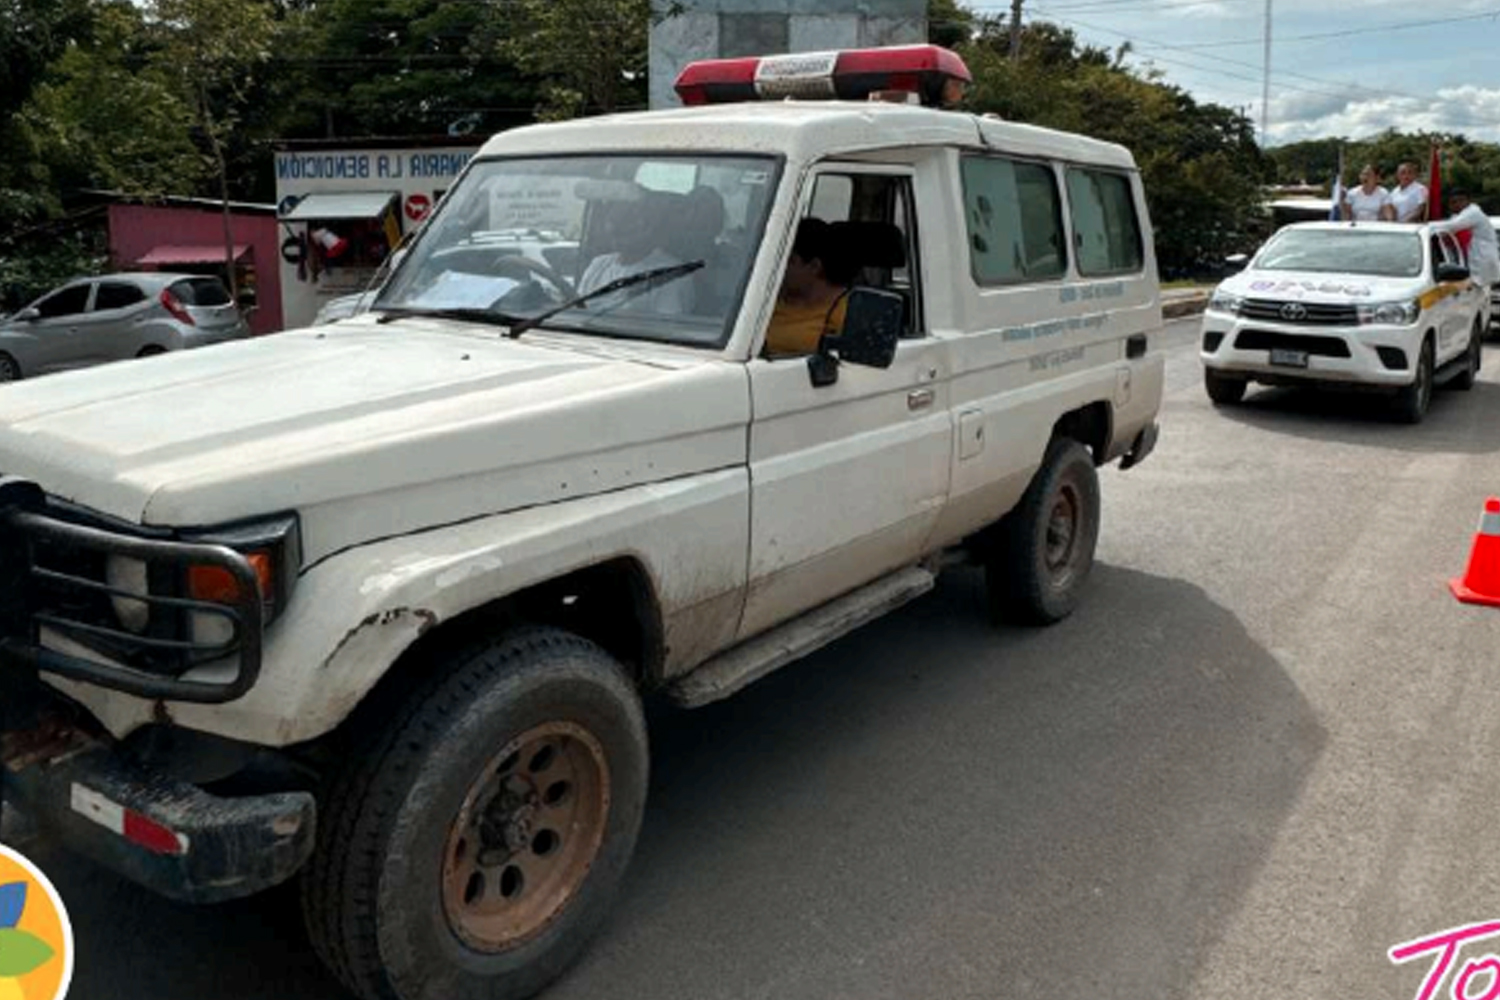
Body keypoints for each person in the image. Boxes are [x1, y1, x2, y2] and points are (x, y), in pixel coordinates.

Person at [578, 191, 694, 314]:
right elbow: (578, 312)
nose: (619, 226)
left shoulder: (670, 276)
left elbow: (668, 328)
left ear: (649, 225)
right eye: (616, 219)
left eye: (629, 218)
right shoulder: (598, 265)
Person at [764, 218, 858, 356]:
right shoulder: (766, 300)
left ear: (814, 266)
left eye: (790, 261)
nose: (781, 268)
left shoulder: (847, 312)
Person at [1429, 188, 1500, 290]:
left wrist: (1426, 225)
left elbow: (1453, 225)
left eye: (1459, 201)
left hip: (1483, 257)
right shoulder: (1465, 213)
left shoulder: (1473, 213)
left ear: (1467, 201)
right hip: (1479, 256)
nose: (1456, 205)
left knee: (1480, 289)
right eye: (1453, 202)